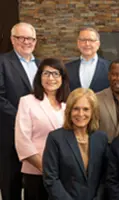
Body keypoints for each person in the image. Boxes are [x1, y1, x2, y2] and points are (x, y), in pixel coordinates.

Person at [15, 58, 69, 200]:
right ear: (39, 77)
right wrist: (47, 170)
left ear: (62, 78)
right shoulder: (27, 101)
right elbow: (22, 141)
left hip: (64, 174)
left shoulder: (67, 104)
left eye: (56, 74)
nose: (51, 78)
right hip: (36, 172)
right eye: (46, 73)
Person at [43, 88, 108, 200]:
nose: (81, 114)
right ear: (69, 111)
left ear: (93, 112)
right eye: (76, 109)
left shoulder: (101, 138)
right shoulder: (55, 138)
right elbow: (51, 179)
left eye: (86, 109)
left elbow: (105, 176)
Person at [0, 22, 39, 200]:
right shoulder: (2, 62)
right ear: (12, 40)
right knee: (11, 182)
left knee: (35, 181)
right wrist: (22, 118)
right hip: (10, 133)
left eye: (30, 38)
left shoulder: (41, 65)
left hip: (37, 135)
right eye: (21, 38)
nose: (26, 42)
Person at [66, 27, 110, 92]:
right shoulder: (67, 68)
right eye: (83, 40)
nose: (87, 44)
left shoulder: (110, 67)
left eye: (91, 40)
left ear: (98, 44)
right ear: (78, 43)